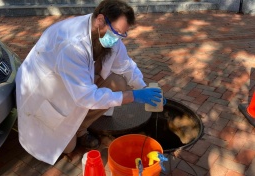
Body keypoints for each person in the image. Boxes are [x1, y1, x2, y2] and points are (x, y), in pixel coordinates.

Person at [15, 0, 162, 165]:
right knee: (68, 147)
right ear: (100, 20)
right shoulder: (72, 45)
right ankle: (66, 133)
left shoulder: (105, 34)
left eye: (123, 34)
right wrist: (132, 96)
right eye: (117, 32)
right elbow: (85, 97)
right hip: (47, 91)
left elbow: (125, 65)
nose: (118, 39)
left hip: (77, 85)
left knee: (118, 82)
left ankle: (80, 128)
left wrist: (143, 87)